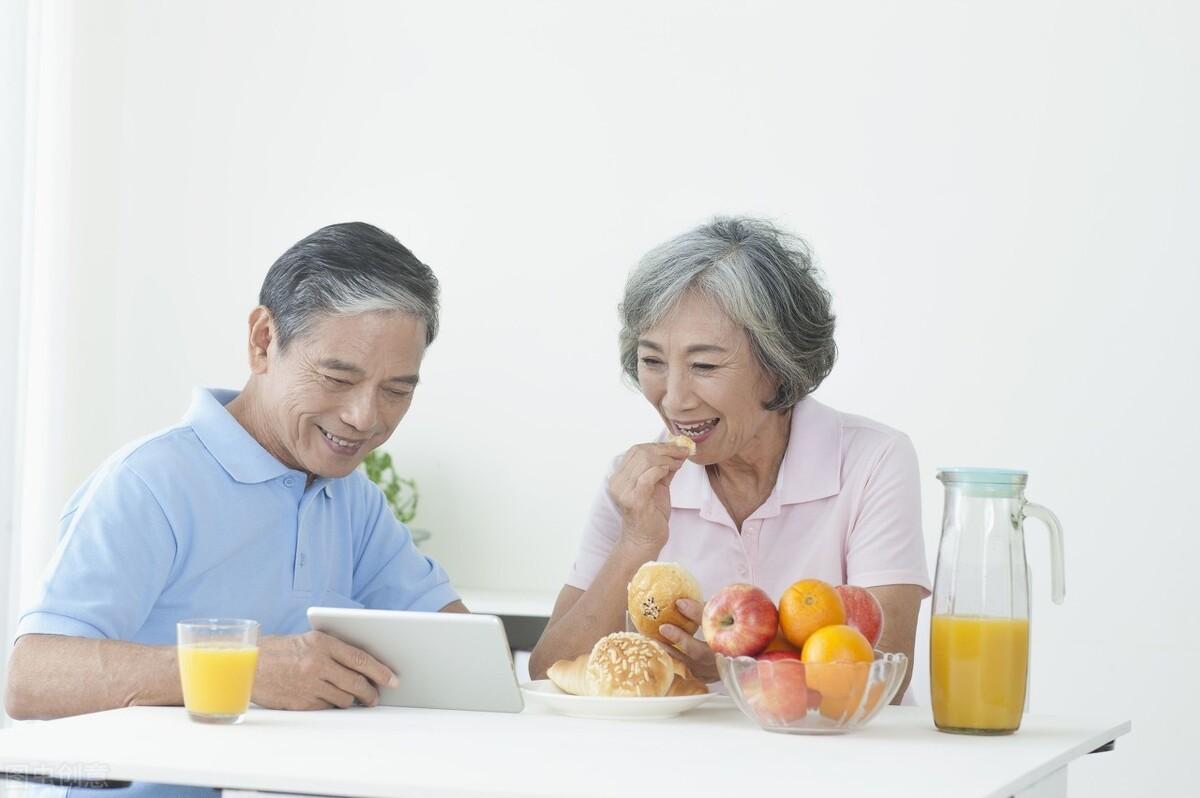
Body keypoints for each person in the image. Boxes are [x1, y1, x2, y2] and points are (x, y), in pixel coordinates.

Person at [5, 222, 464, 796]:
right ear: (262, 340)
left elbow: (461, 657)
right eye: (337, 377)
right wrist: (244, 670)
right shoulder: (150, 482)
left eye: (397, 390)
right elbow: (32, 680)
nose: (365, 417)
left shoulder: (352, 499)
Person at [530, 217, 930, 699]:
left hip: (831, 761)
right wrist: (637, 540)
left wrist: (741, 667)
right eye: (653, 360)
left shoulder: (872, 461)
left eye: (704, 366)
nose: (674, 400)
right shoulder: (634, 481)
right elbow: (549, 673)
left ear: (780, 367)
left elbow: (886, 670)